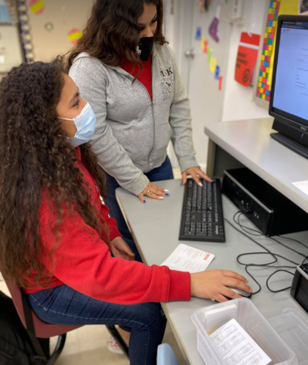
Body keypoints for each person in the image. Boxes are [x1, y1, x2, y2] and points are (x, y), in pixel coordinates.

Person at [0, 59, 252, 365]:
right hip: (51, 293)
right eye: (76, 102)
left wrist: (110, 234)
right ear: (45, 123)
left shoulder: (62, 152)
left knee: (143, 273)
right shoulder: (46, 198)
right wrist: (190, 283)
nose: (87, 106)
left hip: (66, 271)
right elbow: (99, 276)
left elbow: (91, 201)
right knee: (148, 313)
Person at [67, 0, 212, 262]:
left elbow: (177, 105)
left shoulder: (162, 52)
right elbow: (96, 133)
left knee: (165, 232)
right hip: (117, 175)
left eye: (153, 22)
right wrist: (135, 182)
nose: (149, 33)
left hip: (159, 164)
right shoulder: (89, 67)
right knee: (135, 240)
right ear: (114, 25)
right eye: (138, 26)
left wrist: (188, 159)